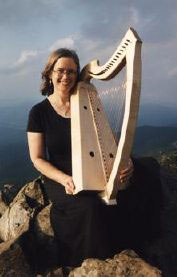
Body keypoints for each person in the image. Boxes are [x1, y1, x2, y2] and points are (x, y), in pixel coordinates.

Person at [27, 48, 135, 269]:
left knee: (140, 175)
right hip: (62, 176)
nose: (65, 77)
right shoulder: (38, 112)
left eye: (72, 72)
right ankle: (92, 266)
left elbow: (109, 142)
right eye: (60, 71)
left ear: (78, 75)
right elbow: (37, 158)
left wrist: (125, 162)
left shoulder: (88, 101)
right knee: (89, 208)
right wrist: (65, 179)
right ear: (49, 73)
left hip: (92, 166)